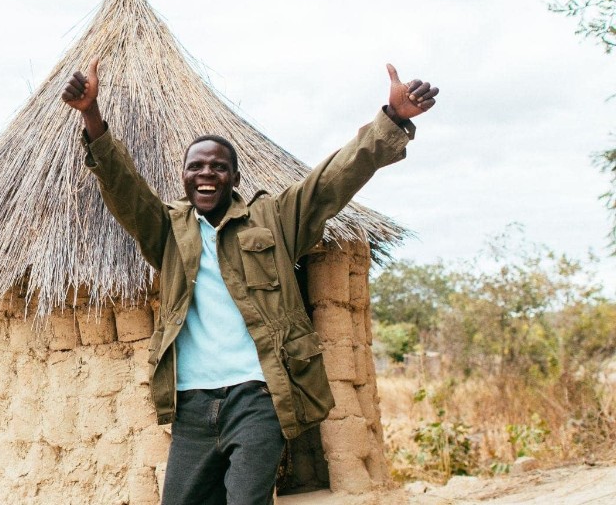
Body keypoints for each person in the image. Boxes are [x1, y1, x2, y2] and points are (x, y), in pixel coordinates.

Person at [61, 59, 439, 505]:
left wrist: (391, 120)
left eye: (218, 167)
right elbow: (121, 185)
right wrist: (91, 114)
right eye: (196, 166)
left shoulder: (274, 219)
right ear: (184, 177)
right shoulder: (166, 229)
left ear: (235, 178)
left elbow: (333, 179)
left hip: (258, 396)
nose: (206, 173)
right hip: (192, 404)